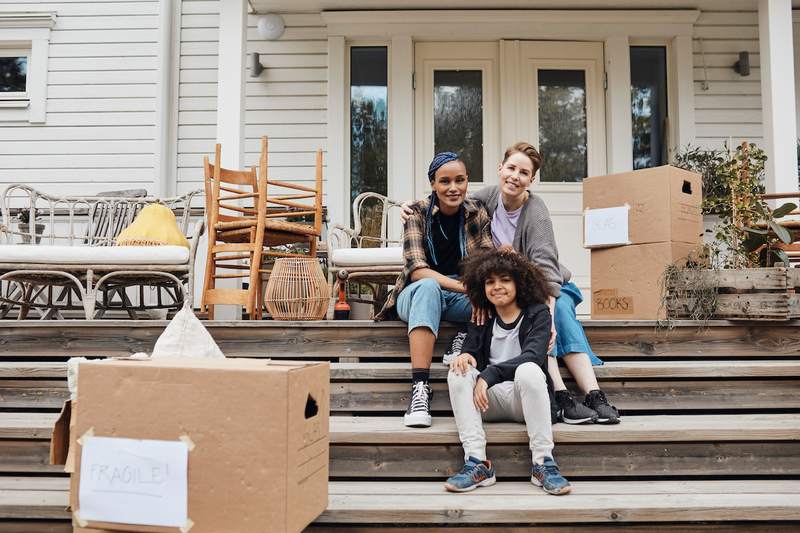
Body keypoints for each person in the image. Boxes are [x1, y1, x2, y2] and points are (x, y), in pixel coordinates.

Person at [402, 143, 619, 425]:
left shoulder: (522, 212)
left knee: (556, 311)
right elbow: (446, 203)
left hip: (542, 282)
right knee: (457, 290)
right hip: (468, 288)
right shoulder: (479, 200)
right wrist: (406, 206)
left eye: (524, 172)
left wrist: (545, 318)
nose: (515, 176)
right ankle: (562, 396)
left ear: (532, 179)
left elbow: (543, 274)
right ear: (500, 169)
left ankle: (589, 394)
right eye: (512, 168)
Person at [376, 151, 493, 428]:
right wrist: (466, 288)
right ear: (433, 184)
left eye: (460, 180)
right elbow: (417, 270)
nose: (453, 188)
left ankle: (464, 334)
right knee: (429, 285)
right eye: (445, 181)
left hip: (457, 295)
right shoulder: (416, 212)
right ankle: (420, 388)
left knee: (492, 295)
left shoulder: (477, 212)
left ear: (467, 182)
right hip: (416, 293)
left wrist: (476, 291)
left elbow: (488, 262)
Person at [444, 249, 570, 495]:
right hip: (487, 402)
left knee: (529, 370)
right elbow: (470, 351)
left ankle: (543, 463)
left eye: (504, 279)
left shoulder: (538, 313)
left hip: (526, 400)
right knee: (458, 371)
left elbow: (533, 355)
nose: (496, 287)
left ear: (519, 282)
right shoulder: (482, 315)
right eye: (490, 281)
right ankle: (477, 463)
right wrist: (465, 358)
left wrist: (488, 375)